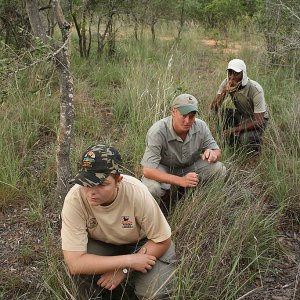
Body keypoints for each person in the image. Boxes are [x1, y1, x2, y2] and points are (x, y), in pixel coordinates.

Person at [61, 144, 175, 300]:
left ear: (118, 180)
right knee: (83, 276)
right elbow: (75, 263)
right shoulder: (75, 199)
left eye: (102, 184)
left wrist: (124, 270)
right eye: (86, 183)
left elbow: (162, 239)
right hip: (104, 244)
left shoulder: (137, 192)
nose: (92, 191)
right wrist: (128, 261)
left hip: (144, 243)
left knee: (153, 293)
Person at [141, 93, 226, 203]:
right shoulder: (157, 131)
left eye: (192, 116)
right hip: (165, 169)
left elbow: (217, 151)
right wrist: (181, 181)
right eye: (184, 115)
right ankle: (157, 212)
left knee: (219, 169)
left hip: (189, 166)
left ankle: (201, 201)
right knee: (151, 188)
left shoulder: (201, 126)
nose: (187, 121)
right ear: (173, 112)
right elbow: (148, 170)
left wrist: (213, 154)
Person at [211, 58, 269, 155]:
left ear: (243, 75)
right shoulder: (226, 83)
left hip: (256, 119)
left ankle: (254, 146)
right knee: (219, 114)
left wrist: (234, 129)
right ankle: (231, 142)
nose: (232, 77)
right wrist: (225, 91)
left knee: (245, 139)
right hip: (242, 114)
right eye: (230, 73)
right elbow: (214, 107)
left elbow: (259, 121)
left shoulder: (255, 89)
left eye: (236, 74)